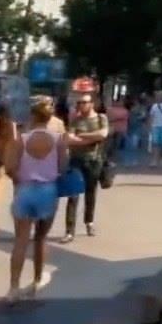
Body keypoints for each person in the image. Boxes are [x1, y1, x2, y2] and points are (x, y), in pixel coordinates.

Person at [4, 96, 66, 304]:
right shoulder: (58, 139)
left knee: (21, 240)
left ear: (32, 116)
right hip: (48, 191)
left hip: (25, 190)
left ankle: (13, 287)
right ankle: (37, 280)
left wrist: (20, 178)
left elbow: (9, 167)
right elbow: (63, 167)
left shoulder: (22, 139)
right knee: (41, 238)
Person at [62, 92, 110, 240]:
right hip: (76, 160)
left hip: (94, 160)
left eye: (84, 102)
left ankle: (89, 222)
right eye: (79, 103)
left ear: (91, 104)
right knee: (73, 194)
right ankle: (69, 231)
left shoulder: (101, 118)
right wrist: (92, 138)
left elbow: (103, 134)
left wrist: (81, 136)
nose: (80, 105)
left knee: (90, 192)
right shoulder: (75, 120)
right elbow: (69, 139)